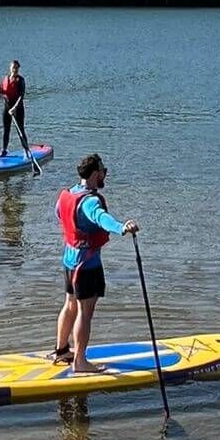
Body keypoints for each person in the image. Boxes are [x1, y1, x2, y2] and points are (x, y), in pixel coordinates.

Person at [55, 153, 139, 375]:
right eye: (103, 171)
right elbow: (101, 218)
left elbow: (59, 214)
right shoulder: (91, 201)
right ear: (95, 174)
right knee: (85, 311)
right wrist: (122, 227)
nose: (105, 175)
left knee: (70, 304)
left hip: (69, 260)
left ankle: (62, 350)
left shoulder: (69, 194)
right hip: (87, 266)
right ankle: (80, 362)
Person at [0, 60, 27, 154]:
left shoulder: (20, 80)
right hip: (7, 107)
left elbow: (21, 96)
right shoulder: (5, 79)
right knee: (6, 129)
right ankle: (4, 150)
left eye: (17, 68)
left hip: (18, 108)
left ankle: (26, 151)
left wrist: (14, 108)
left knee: (20, 129)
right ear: (10, 68)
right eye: (14, 68)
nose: (15, 70)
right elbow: (3, 92)